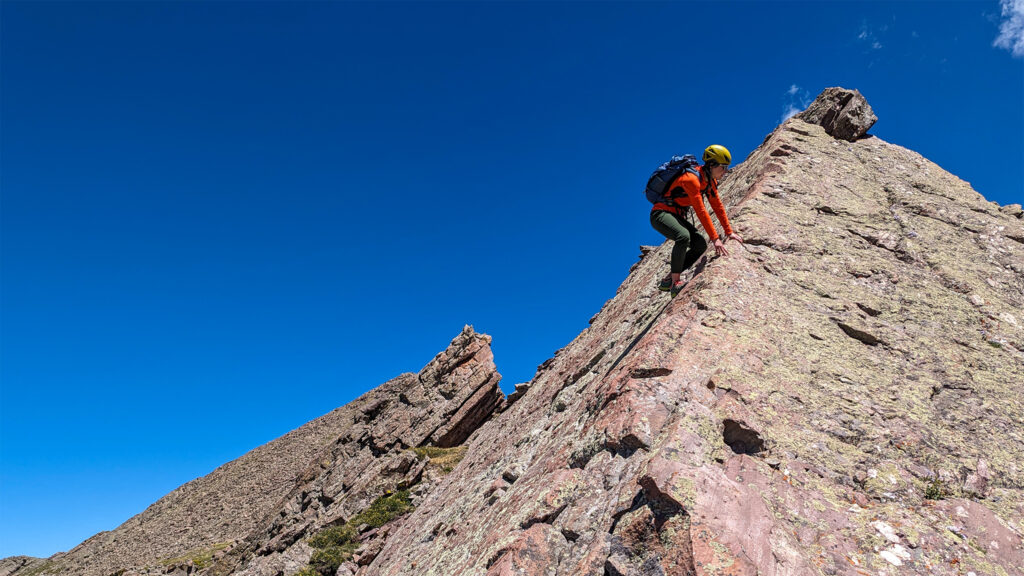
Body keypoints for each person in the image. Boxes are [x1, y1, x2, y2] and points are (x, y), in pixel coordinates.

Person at [650, 144, 743, 296]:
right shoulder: (691, 179)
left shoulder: (710, 183)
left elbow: (718, 207)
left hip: (676, 215)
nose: (725, 171)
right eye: (723, 167)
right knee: (683, 237)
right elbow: (701, 210)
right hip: (660, 214)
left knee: (699, 245)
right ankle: (675, 283)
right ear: (712, 165)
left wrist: (729, 232)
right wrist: (715, 239)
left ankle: (668, 280)